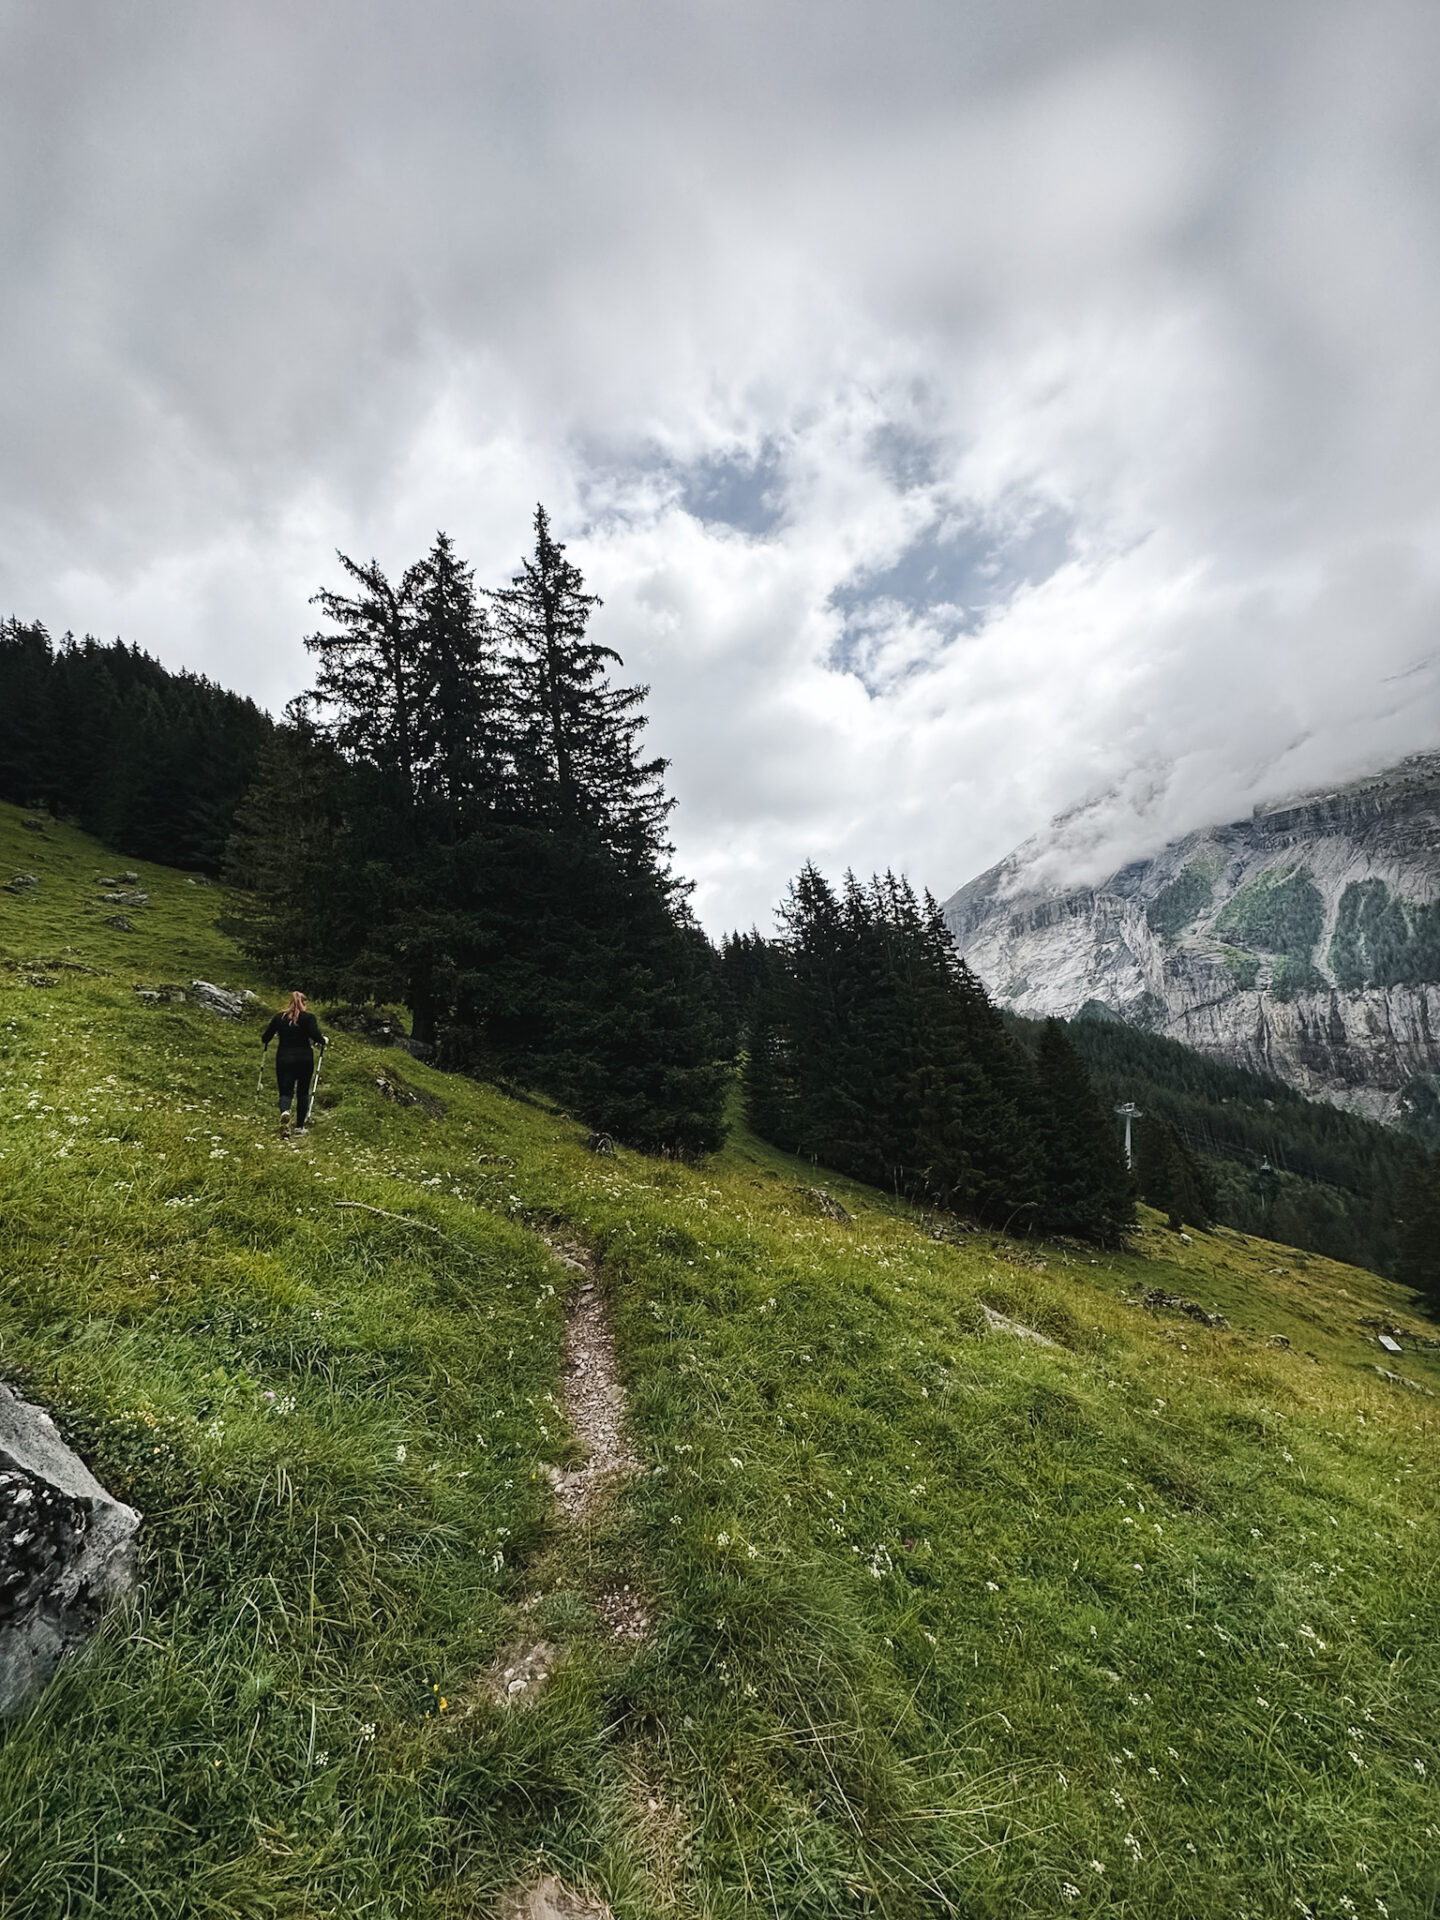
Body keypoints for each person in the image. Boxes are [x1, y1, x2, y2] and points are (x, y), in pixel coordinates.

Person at [260, 991, 327, 1136]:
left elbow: (265, 1037)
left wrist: (267, 1040)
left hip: (284, 1058)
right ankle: (299, 1127)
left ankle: (285, 1112)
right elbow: (316, 1036)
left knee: (285, 1090)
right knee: (303, 1092)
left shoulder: (279, 1018)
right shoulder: (309, 1018)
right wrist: (324, 1040)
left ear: (289, 1002)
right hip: (304, 1059)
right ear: (304, 1003)